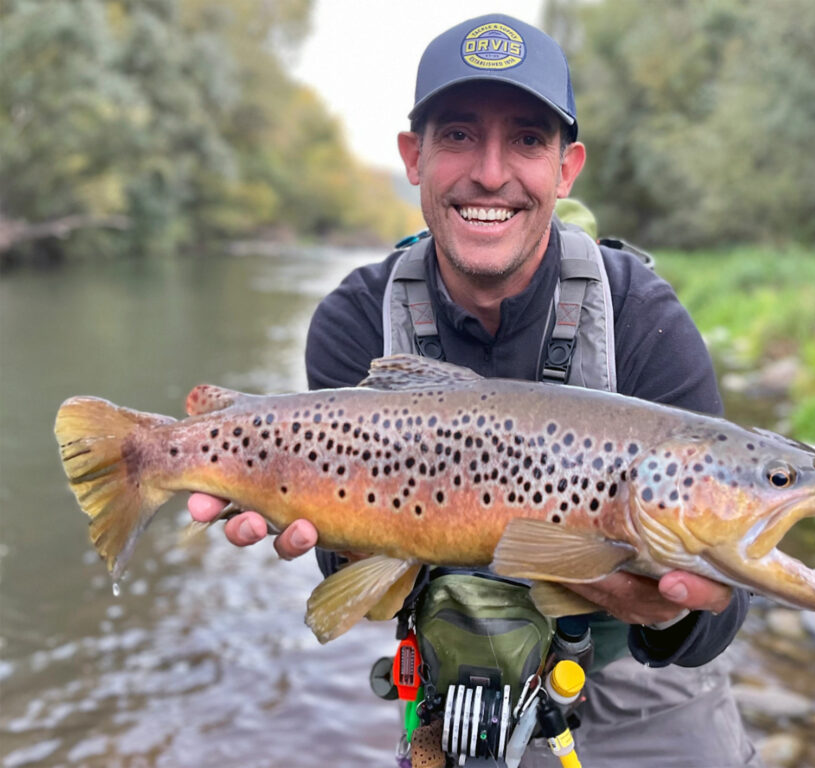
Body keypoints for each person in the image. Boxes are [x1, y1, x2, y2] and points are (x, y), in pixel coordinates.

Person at [190, 13, 762, 767]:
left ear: (566, 167)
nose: (491, 172)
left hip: (635, 686)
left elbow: (718, 622)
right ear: (413, 158)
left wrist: (663, 601)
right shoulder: (356, 320)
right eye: (459, 134)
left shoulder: (640, 318)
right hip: (458, 694)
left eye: (526, 139)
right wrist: (313, 523)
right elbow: (347, 572)